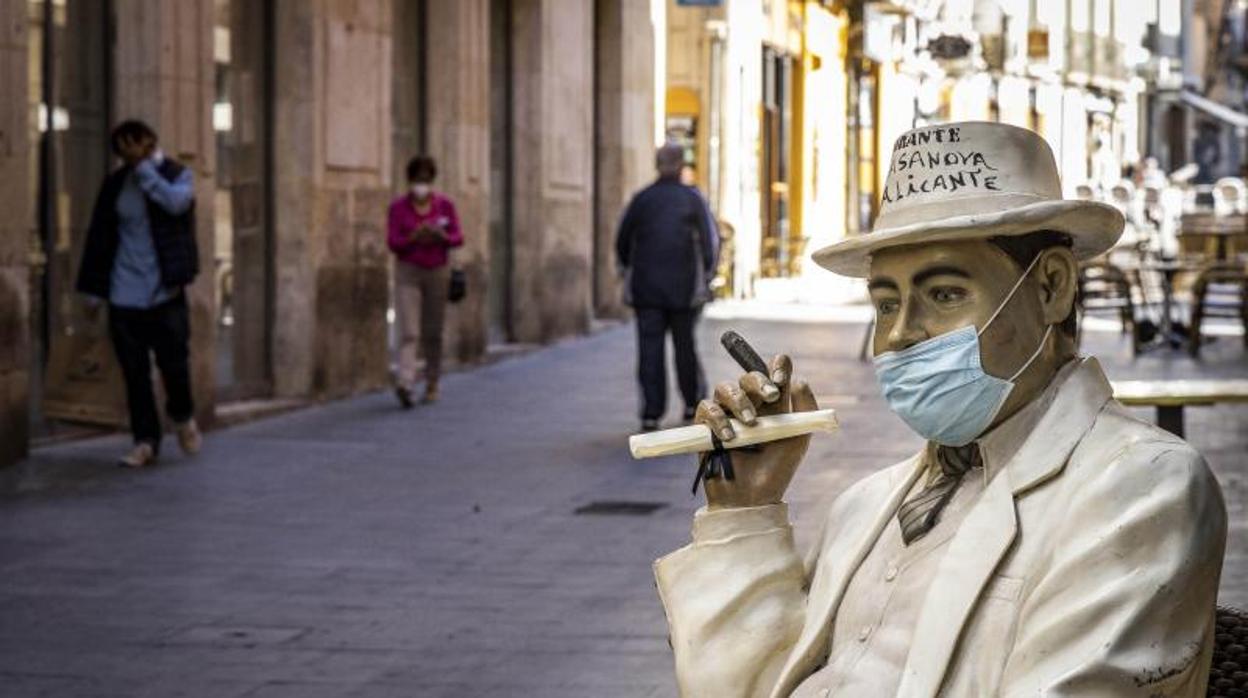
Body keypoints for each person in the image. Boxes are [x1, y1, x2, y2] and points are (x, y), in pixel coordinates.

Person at [655, 123, 1227, 696]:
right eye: (885, 304)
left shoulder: (1140, 486)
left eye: (945, 294)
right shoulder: (865, 507)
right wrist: (745, 513)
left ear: (1051, 287)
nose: (900, 334)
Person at [76, 119, 202, 468]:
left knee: (174, 365)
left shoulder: (177, 175)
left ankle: (182, 415)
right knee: (134, 373)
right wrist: (93, 292)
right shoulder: (116, 184)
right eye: (124, 149)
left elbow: (177, 205)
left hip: (165, 291)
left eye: (136, 145)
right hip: (124, 292)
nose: (130, 154)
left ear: (150, 142)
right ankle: (145, 441)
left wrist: (147, 171)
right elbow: (100, 236)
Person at [617, 144, 718, 432]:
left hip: (646, 288)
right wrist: (708, 274)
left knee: (650, 350)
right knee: (685, 347)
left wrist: (628, 267)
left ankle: (651, 412)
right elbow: (710, 241)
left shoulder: (642, 200)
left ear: (657, 164)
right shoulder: (692, 199)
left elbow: (622, 240)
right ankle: (692, 403)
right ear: (682, 165)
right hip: (684, 289)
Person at [387, 155, 463, 407]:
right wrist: (412, 238)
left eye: (425, 180)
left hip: (437, 271)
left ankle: (432, 381)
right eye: (417, 180)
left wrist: (442, 235)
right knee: (409, 330)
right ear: (409, 181)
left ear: (432, 181)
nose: (421, 185)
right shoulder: (398, 208)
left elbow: (458, 237)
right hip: (408, 271)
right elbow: (392, 242)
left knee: (433, 331)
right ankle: (405, 383)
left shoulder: (445, 206)